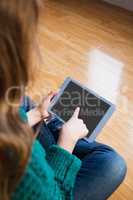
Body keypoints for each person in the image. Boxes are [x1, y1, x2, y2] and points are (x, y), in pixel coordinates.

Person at [0, 0, 127, 200]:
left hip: (22, 138)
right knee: (112, 164)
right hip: (43, 179)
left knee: (22, 101)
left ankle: (51, 122)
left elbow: (6, 121)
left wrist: (35, 114)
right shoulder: (20, 165)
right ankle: (64, 132)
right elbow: (54, 195)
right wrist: (66, 143)